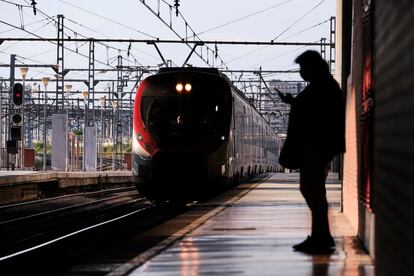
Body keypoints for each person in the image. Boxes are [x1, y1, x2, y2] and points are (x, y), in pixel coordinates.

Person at [278, 50, 345, 253]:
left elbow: (315, 113)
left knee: (312, 191)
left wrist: (295, 103)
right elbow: (310, 107)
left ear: (312, 68)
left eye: (303, 68)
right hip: (317, 147)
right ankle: (321, 235)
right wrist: (293, 102)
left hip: (317, 147)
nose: (301, 72)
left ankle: (321, 237)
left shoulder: (323, 86)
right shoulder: (323, 85)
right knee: (314, 192)